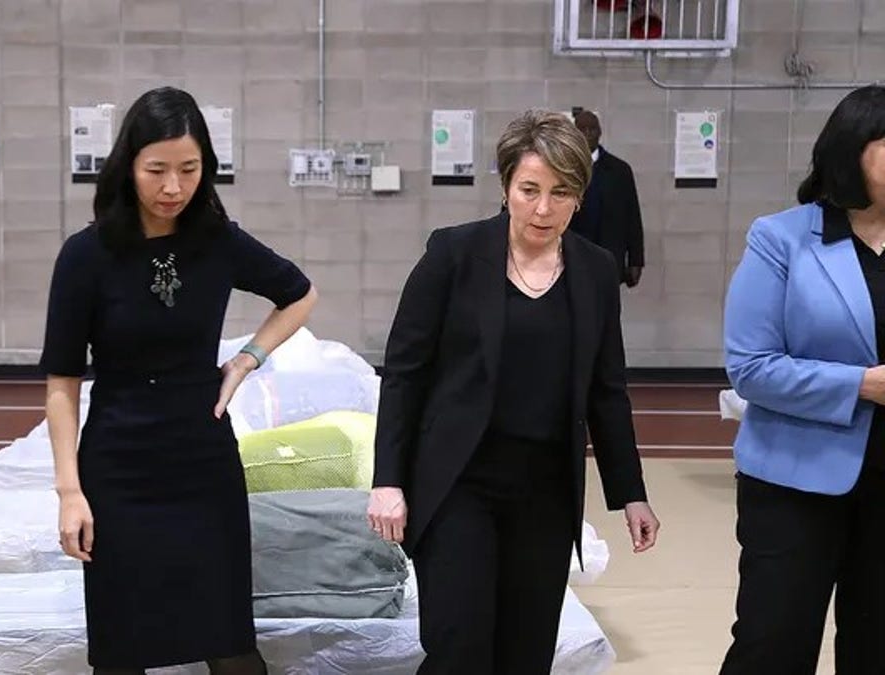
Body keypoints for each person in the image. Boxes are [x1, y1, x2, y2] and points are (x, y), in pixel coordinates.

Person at [367, 109, 660, 674]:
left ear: (580, 195)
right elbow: (405, 372)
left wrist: (632, 492)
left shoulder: (595, 270)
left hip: (545, 492)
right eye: (529, 190)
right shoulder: (453, 255)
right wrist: (388, 480)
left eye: (561, 192)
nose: (544, 208)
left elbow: (606, 390)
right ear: (505, 186)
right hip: (459, 483)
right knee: (460, 649)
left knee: (525, 656)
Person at [40, 86, 317, 675]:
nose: (173, 187)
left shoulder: (217, 240)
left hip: (202, 463)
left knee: (229, 641)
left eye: (189, 169)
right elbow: (62, 384)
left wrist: (246, 360)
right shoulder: (86, 256)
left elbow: (298, 294)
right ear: (128, 167)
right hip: (118, 468)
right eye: (156, 170)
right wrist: (70, 491)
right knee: (122, 647)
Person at [720, 84, 885, 674]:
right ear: (852, 151)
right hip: (794, 484)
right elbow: (751, 367)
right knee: (773, 646)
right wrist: (863, 385)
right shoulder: (781, 238)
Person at [568, 110, 645, 287]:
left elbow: (632, 216)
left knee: (606, 311)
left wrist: (636, 259)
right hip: (572, 256)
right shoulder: (562, 169)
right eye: (582, 130)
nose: (587, 135)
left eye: (592, 129)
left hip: (609, 254)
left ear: (600, 132)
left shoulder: (619, 170)